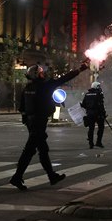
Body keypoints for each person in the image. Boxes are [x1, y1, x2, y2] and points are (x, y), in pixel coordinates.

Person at [10, 60, 90, 191]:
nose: (43, 74)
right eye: (41, 73)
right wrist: (79, 70)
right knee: (29, 151)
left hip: (32, 122)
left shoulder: (27, 88)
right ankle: (17, 177)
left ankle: (51, 176)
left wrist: (28, 122)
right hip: (39, 122)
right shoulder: (44, 86)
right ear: (37, 75)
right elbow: (64, 78)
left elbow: (22, 108)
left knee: (42, 150)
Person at [81, 81, 106, 149]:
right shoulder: (99, 94)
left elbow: (83, 105)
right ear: (96, 87)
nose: (100, 88)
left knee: (91, 128)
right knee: (101, 127)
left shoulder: (87, 94)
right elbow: (101, 105)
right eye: (99, 86)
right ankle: (98, 142)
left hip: (89, 114)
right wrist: (103, 113)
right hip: (98, 114)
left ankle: (91, 144)